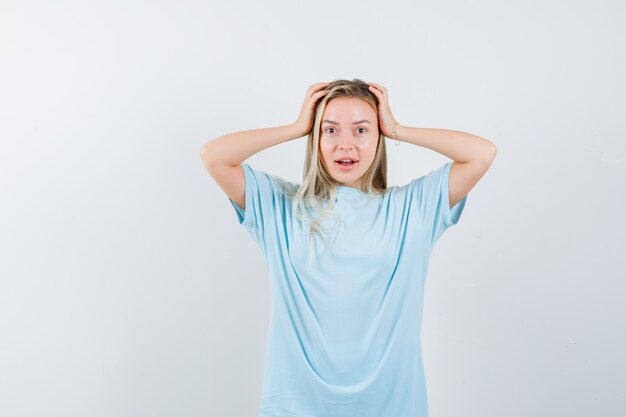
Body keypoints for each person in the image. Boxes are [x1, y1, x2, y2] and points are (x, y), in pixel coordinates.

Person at [200, 79, 497, 417]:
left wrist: (398, 128)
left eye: (360, 130)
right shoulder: (280, 205)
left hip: (392, 407)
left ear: (378, 136)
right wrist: (296, 127)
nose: (346, 145)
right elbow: (214, 157)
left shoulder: (413, 207)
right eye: (330, 130)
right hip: (295, 406)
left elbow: (481, 154)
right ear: (316, 137)